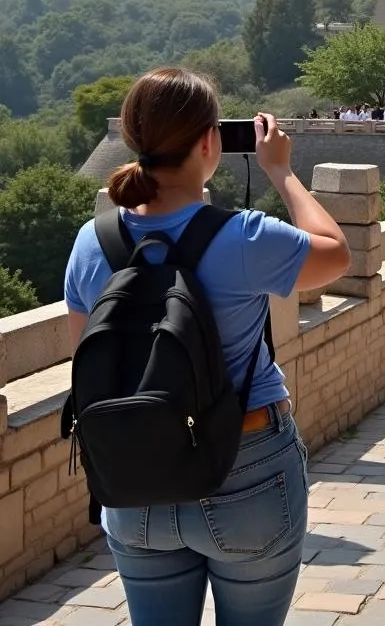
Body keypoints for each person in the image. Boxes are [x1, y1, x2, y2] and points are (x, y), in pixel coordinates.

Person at [63, 68, 352, 626]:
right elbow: (336, 252)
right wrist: (282, 172)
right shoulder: (242, 235)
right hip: (246, 469)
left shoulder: (92, 240)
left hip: (133, 477)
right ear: (208, 141)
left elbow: (90, 361)